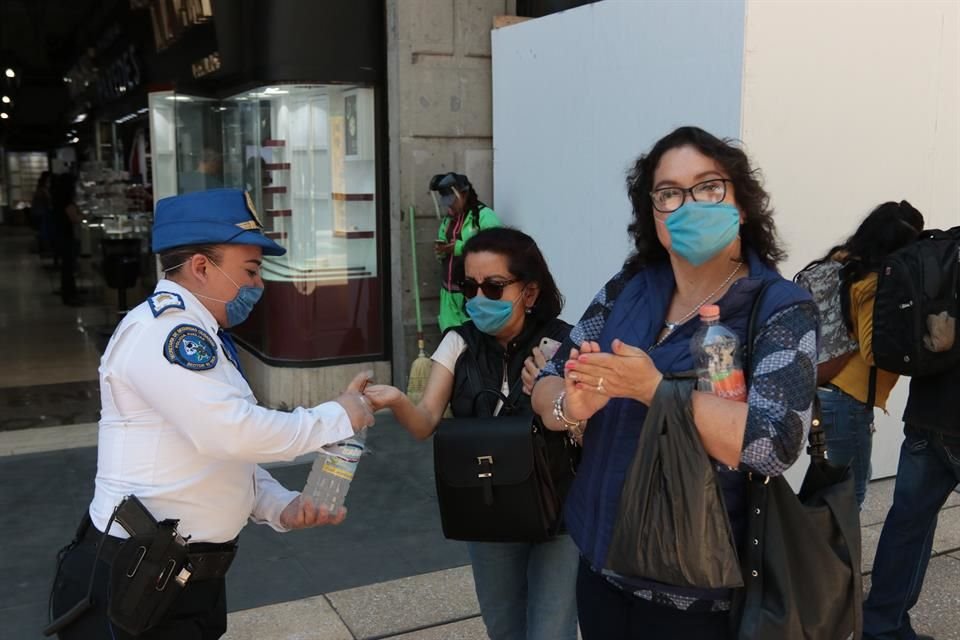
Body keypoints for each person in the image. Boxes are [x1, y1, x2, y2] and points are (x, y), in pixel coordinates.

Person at [47, 188, 376, 640]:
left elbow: (218, 452)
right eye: (251, 270)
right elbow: (233, 434)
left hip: (181, 575)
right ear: (202, 267)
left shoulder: (202, 334)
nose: (259, 285)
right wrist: (339, 416)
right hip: (134, 576)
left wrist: (281, 505)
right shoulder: (164, 333)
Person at [530, 126, 818, 639]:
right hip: (597, 565)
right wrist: (570, 411)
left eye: (709, 186)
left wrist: (653, 389)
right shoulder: (628, 289)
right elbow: (549, 379)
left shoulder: (779, 308)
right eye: (668, 194)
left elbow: (773, 444)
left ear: (742, 204)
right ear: (654, 217)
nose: (688, 206)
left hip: (692, 590)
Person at [364, 227, 579, 640]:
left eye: (494, 287)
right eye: (469, 286)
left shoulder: (562, 342)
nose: (478, 299)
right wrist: (394, 399)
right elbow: (425, 420)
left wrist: (552, 396)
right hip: (488, 503)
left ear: (529, 293)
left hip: (560, 504)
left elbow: (587, 426)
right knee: (503, 625)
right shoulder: (457, 343)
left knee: (551, 630)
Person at [806, 201, 924, 506]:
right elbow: (874, 352)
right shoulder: (873, 283)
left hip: (826, 389)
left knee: (831, 489)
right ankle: (840, 554)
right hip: (848, 400)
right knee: (850, 495)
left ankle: (821, 550)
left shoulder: (839, 262)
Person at [429, 172, 502, 332]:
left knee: (473, 342)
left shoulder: (484, 216)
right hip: (448, 294)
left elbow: (495, 248)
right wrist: (441, 250)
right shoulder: (449, 220)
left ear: (464, 194)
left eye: (453, 201)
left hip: (473, 294)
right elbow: (443, 243)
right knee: (450, 342)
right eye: (446, 202)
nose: (450, 206)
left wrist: (459, 247)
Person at [52, 173, 83, 306]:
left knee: (66, 267)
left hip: (60, 235)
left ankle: (68, 293)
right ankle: (70, 295)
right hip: (66, 236)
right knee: (69, 267)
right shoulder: (67, 202)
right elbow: (74, 219)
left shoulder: (58, 198)